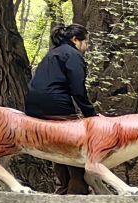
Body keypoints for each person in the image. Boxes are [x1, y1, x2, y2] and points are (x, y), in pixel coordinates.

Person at [25, 22, 95, 191]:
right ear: (75, 40)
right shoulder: (73, 55)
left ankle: (63, 187)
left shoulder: (52, 54)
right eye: (86, 42)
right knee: (75, 145)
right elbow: (78, 90)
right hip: (56, 103)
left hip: (33, 105)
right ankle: (77, 191)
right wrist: (91, 114)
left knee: (57, 145)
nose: (87, 47)